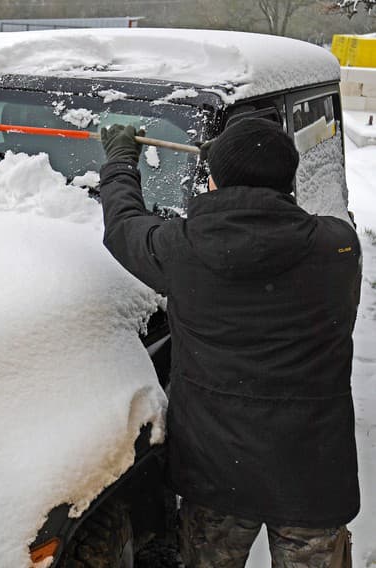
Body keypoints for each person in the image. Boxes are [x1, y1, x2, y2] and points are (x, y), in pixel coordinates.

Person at [98, 118, 360, 567]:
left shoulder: (181, 249)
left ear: (214, 178)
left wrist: (121, 162)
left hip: (219, 472)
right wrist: (239, 165)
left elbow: (124, 225)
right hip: (312, 472)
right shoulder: (338, 248)